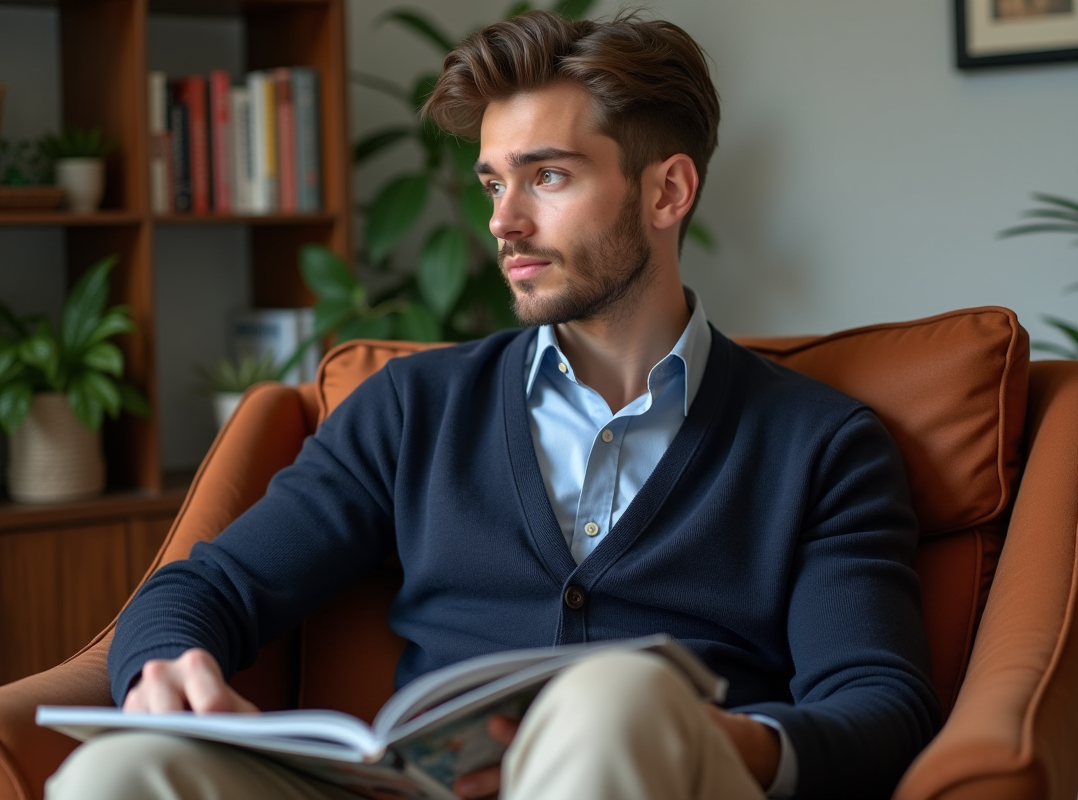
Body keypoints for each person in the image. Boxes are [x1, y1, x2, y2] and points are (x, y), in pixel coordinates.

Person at [48, 10, 939, 800]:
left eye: (547, 177)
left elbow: (879, 705)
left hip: (670, 772)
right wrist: (167, 667)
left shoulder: (821, 445)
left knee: (615, 692)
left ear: (667, 192)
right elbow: (206, 587)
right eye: (491, 183)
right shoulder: (411, 410)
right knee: (116, 775)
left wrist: (721, 739)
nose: (503, 222)